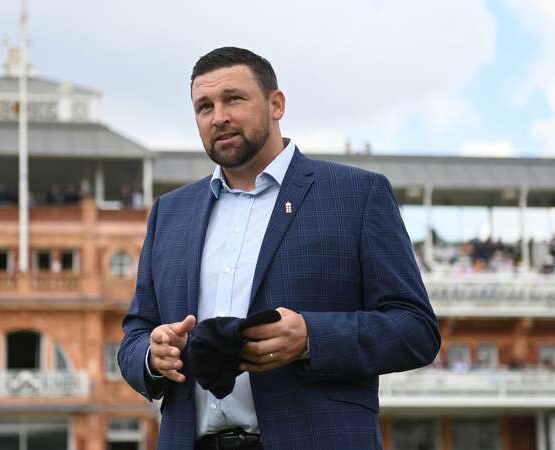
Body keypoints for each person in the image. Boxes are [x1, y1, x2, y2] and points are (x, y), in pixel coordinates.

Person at [118, 47, 440, 450]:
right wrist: (154, 356)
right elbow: (134, 337)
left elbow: (416, 331)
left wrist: (310, 338)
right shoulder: (169, 213)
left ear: (276, 104)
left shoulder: (357, 195)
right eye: (204, 106)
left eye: (234, 98)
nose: (219, 117)